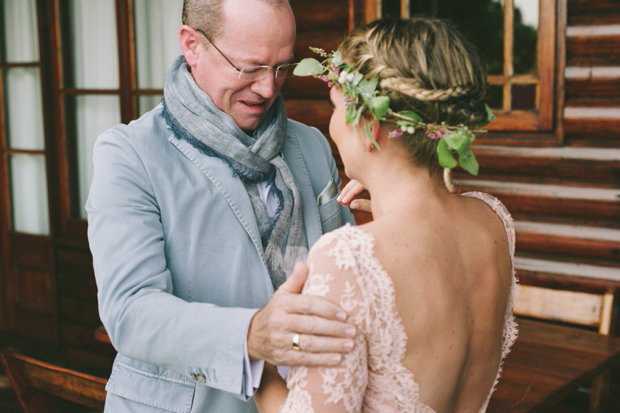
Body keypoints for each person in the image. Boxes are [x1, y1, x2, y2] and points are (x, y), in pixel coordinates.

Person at [85, 0, 357, 412]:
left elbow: (347, 275)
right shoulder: (128, 153)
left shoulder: (313, 145)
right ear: (192, 45)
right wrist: (250, 334)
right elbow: (130, 311)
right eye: (250, 68)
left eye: (282, 67)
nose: (269, 88)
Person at [254, 17, 518, 412]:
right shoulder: (492, 221)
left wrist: (262, 362)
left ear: (371, 124)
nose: (332, 127)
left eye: (335, 107)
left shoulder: (349, 260)